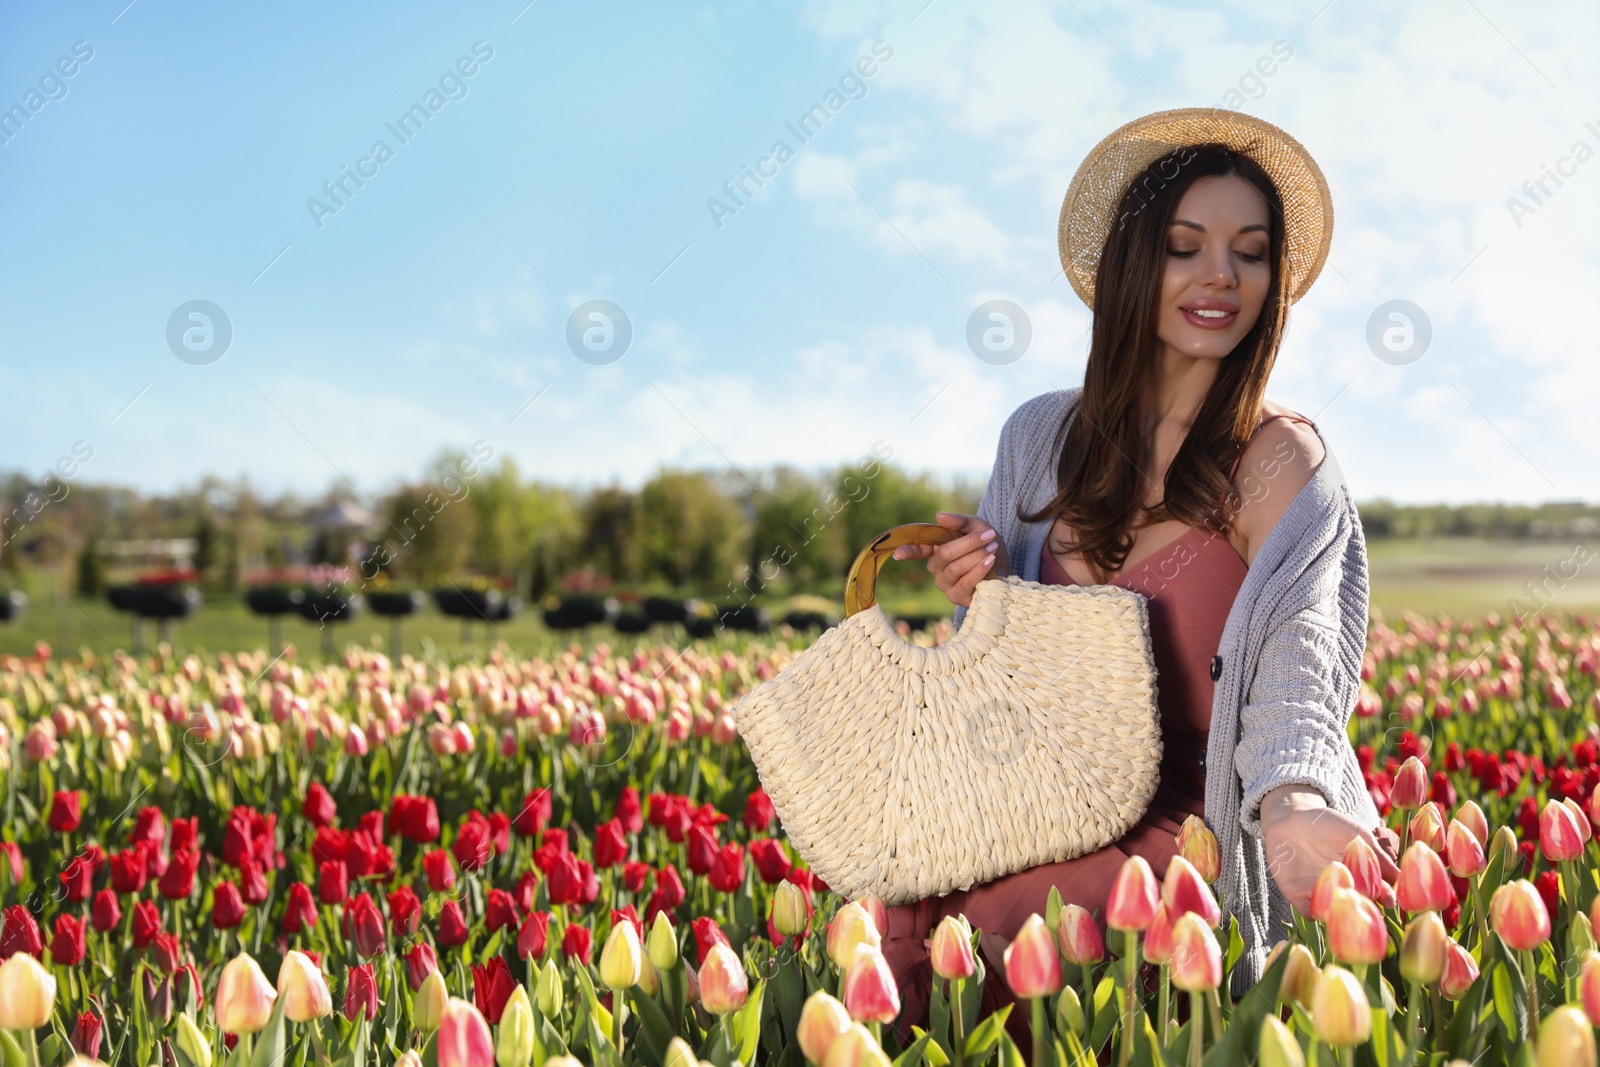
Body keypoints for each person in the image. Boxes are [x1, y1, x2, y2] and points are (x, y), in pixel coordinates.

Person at [879, 108, 1400, 1054]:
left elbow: (1302, 657)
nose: (1221, 277)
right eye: (1184, 247)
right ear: (1131, 268)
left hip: (1189, 823)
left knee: (1053, 905)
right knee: (914, 881)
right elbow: (996, 666)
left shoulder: (1282, 460)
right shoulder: (1039, 438)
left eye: (1249, 252)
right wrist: (969, 599)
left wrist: (1293, 802)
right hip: (1036, 794)